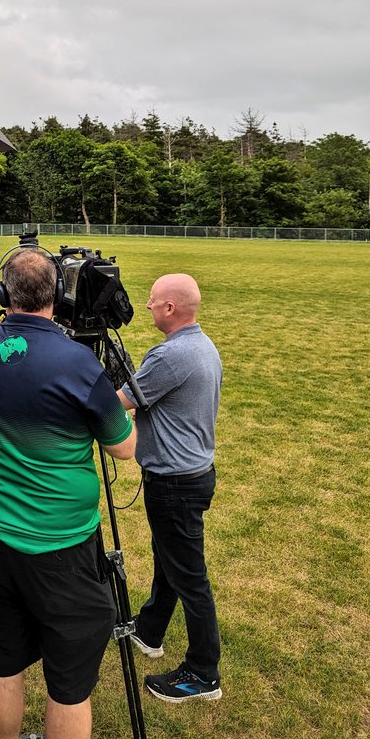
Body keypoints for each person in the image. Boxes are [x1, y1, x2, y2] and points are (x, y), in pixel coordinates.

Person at [0, 248, 137, 739]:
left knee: (4, 659)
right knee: (70, 685)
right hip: (64, 546)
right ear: (58, 298)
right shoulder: (78, 362)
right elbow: (122, 446)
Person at [117, 273, 223, 702]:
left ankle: (203, 674)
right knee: (171, 562)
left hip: (175, 482)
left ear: (170, 309)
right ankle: (150, 630)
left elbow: (118, 401)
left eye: (152, 301)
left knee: (190, 577)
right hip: (191, 476)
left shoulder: (170, 355)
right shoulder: (202, 344)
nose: (147, 307)